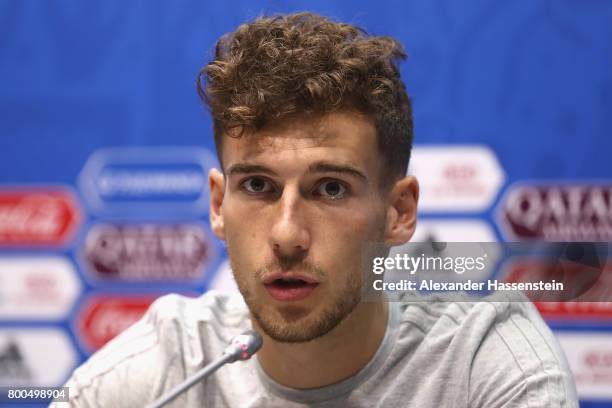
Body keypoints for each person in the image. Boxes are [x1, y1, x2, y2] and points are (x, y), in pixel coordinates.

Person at [54, 12, 578, 407]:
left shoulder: (482, 362)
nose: (287, 235)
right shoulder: (173, 363)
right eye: (257, 185)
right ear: (218, 204)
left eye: (330, 189)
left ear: (398, 212)